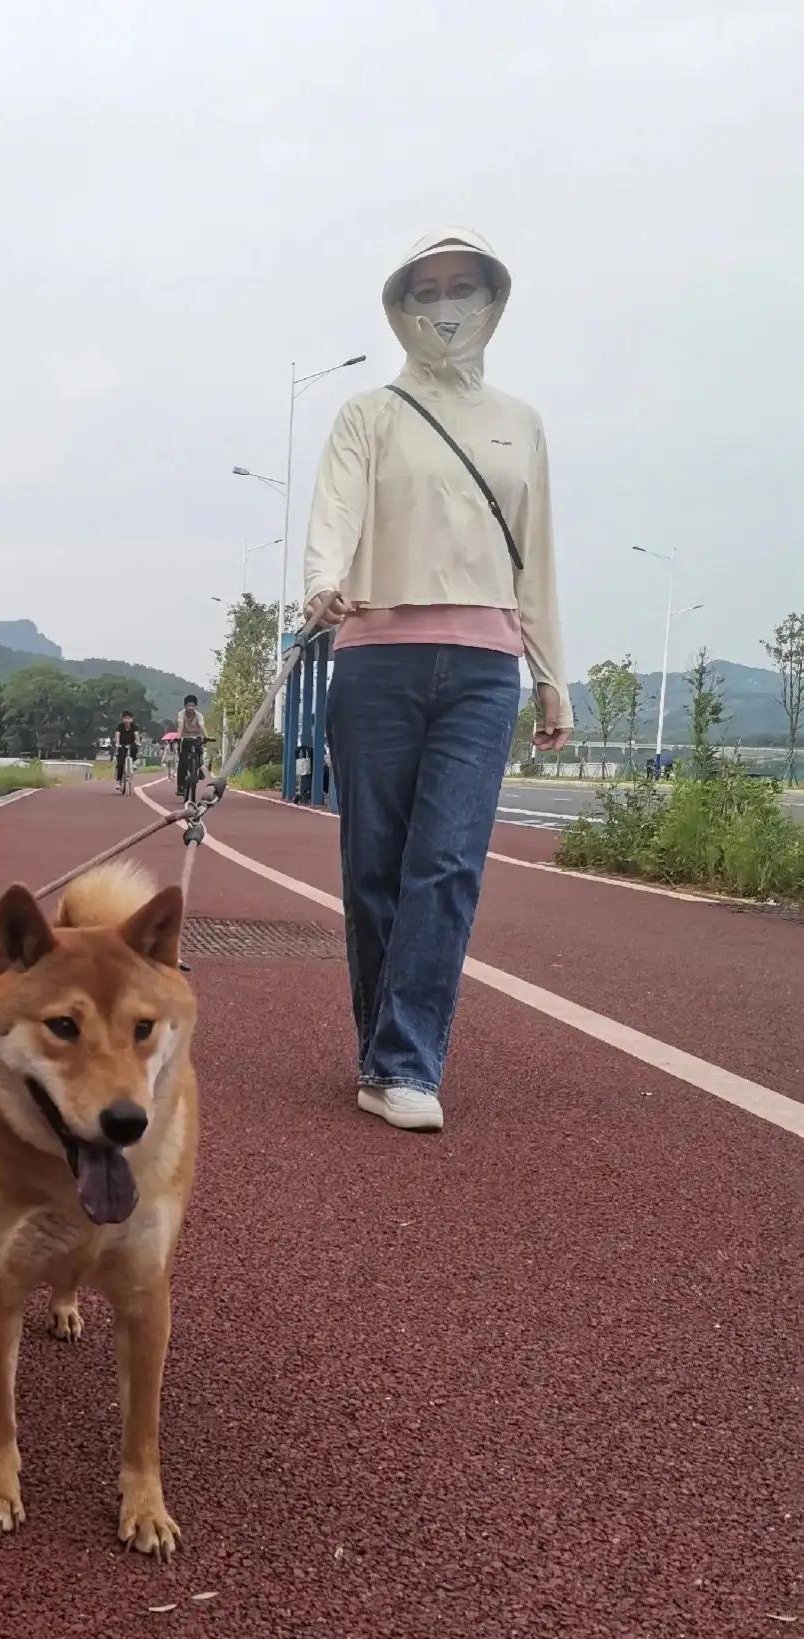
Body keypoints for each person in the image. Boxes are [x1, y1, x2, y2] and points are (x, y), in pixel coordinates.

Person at [304, 227, 571, 1133]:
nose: (446, 306)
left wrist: (551, 675)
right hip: (375, 656)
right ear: (400, 306)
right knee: (373, 865)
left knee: (447, 865)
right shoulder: (367, 415)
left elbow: (536, 555)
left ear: (492, 300)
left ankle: (403, 1061)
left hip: (486, 669)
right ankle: (383, 1053)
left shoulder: (520, 423)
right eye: (428, 290)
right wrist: (321, 581)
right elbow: (335, 510)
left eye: (463, 287)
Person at [175, 694, 206, 798]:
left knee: (200, 752)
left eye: (192, 706)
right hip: (185, 738)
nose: (190, 708)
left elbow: (202, 726)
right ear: (185, 706)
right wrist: (178, 737)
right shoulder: (181, 714)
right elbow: (180, 727)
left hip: (197, 737)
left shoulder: (199, 715)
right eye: (188, 705)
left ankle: (199, 769)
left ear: (195, 706)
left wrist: (207, 736)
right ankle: (180, 786)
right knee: (182, 761)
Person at [113, 710, 139, 791]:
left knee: (135, 748)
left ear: (132, 719)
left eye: (129, 718)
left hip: (131, 744)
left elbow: (136, 735)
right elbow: (117, 734)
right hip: (122, 745)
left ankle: (133, 763)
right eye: (125, 718)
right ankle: (119, 781)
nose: (127, 720)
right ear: (123, 719)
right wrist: (117, 743)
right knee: (120, 763)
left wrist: (138, 742)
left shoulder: (134, 727)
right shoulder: (120, 726)